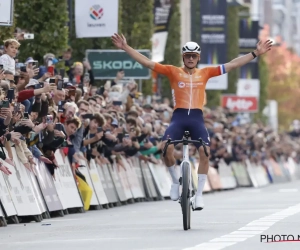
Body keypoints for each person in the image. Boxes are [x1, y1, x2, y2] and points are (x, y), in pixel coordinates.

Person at [111, 33, 272, 210]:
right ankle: (174, 181)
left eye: (193, 56)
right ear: (183, 57)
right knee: (166, 148)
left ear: (198, 57)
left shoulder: (205, 73)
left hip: (196, 119)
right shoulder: (173, 71)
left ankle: (200, 195)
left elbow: (232, 65)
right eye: (187, 55)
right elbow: (148, 63)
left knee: (205, 152)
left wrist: (255, 53)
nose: (190, 59)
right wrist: (126, 47)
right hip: (178, 118)